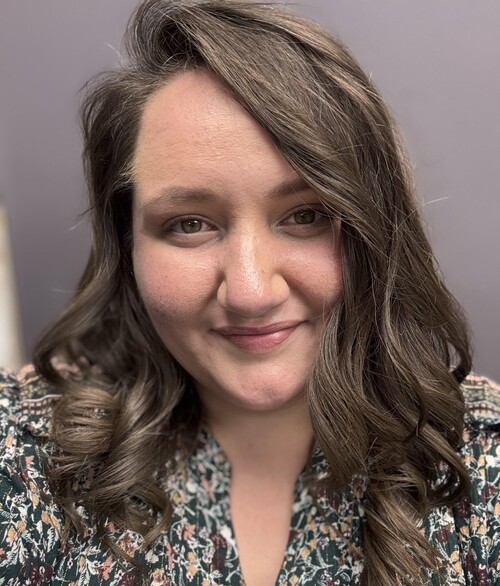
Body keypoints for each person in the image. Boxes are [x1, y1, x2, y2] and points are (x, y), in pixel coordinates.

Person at [0, 0, 498, 584]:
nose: (251, 292)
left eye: (306, 215)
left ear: (376, 229)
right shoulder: (25, 453)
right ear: (126, 244)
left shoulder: (482, 459)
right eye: (189, 224)